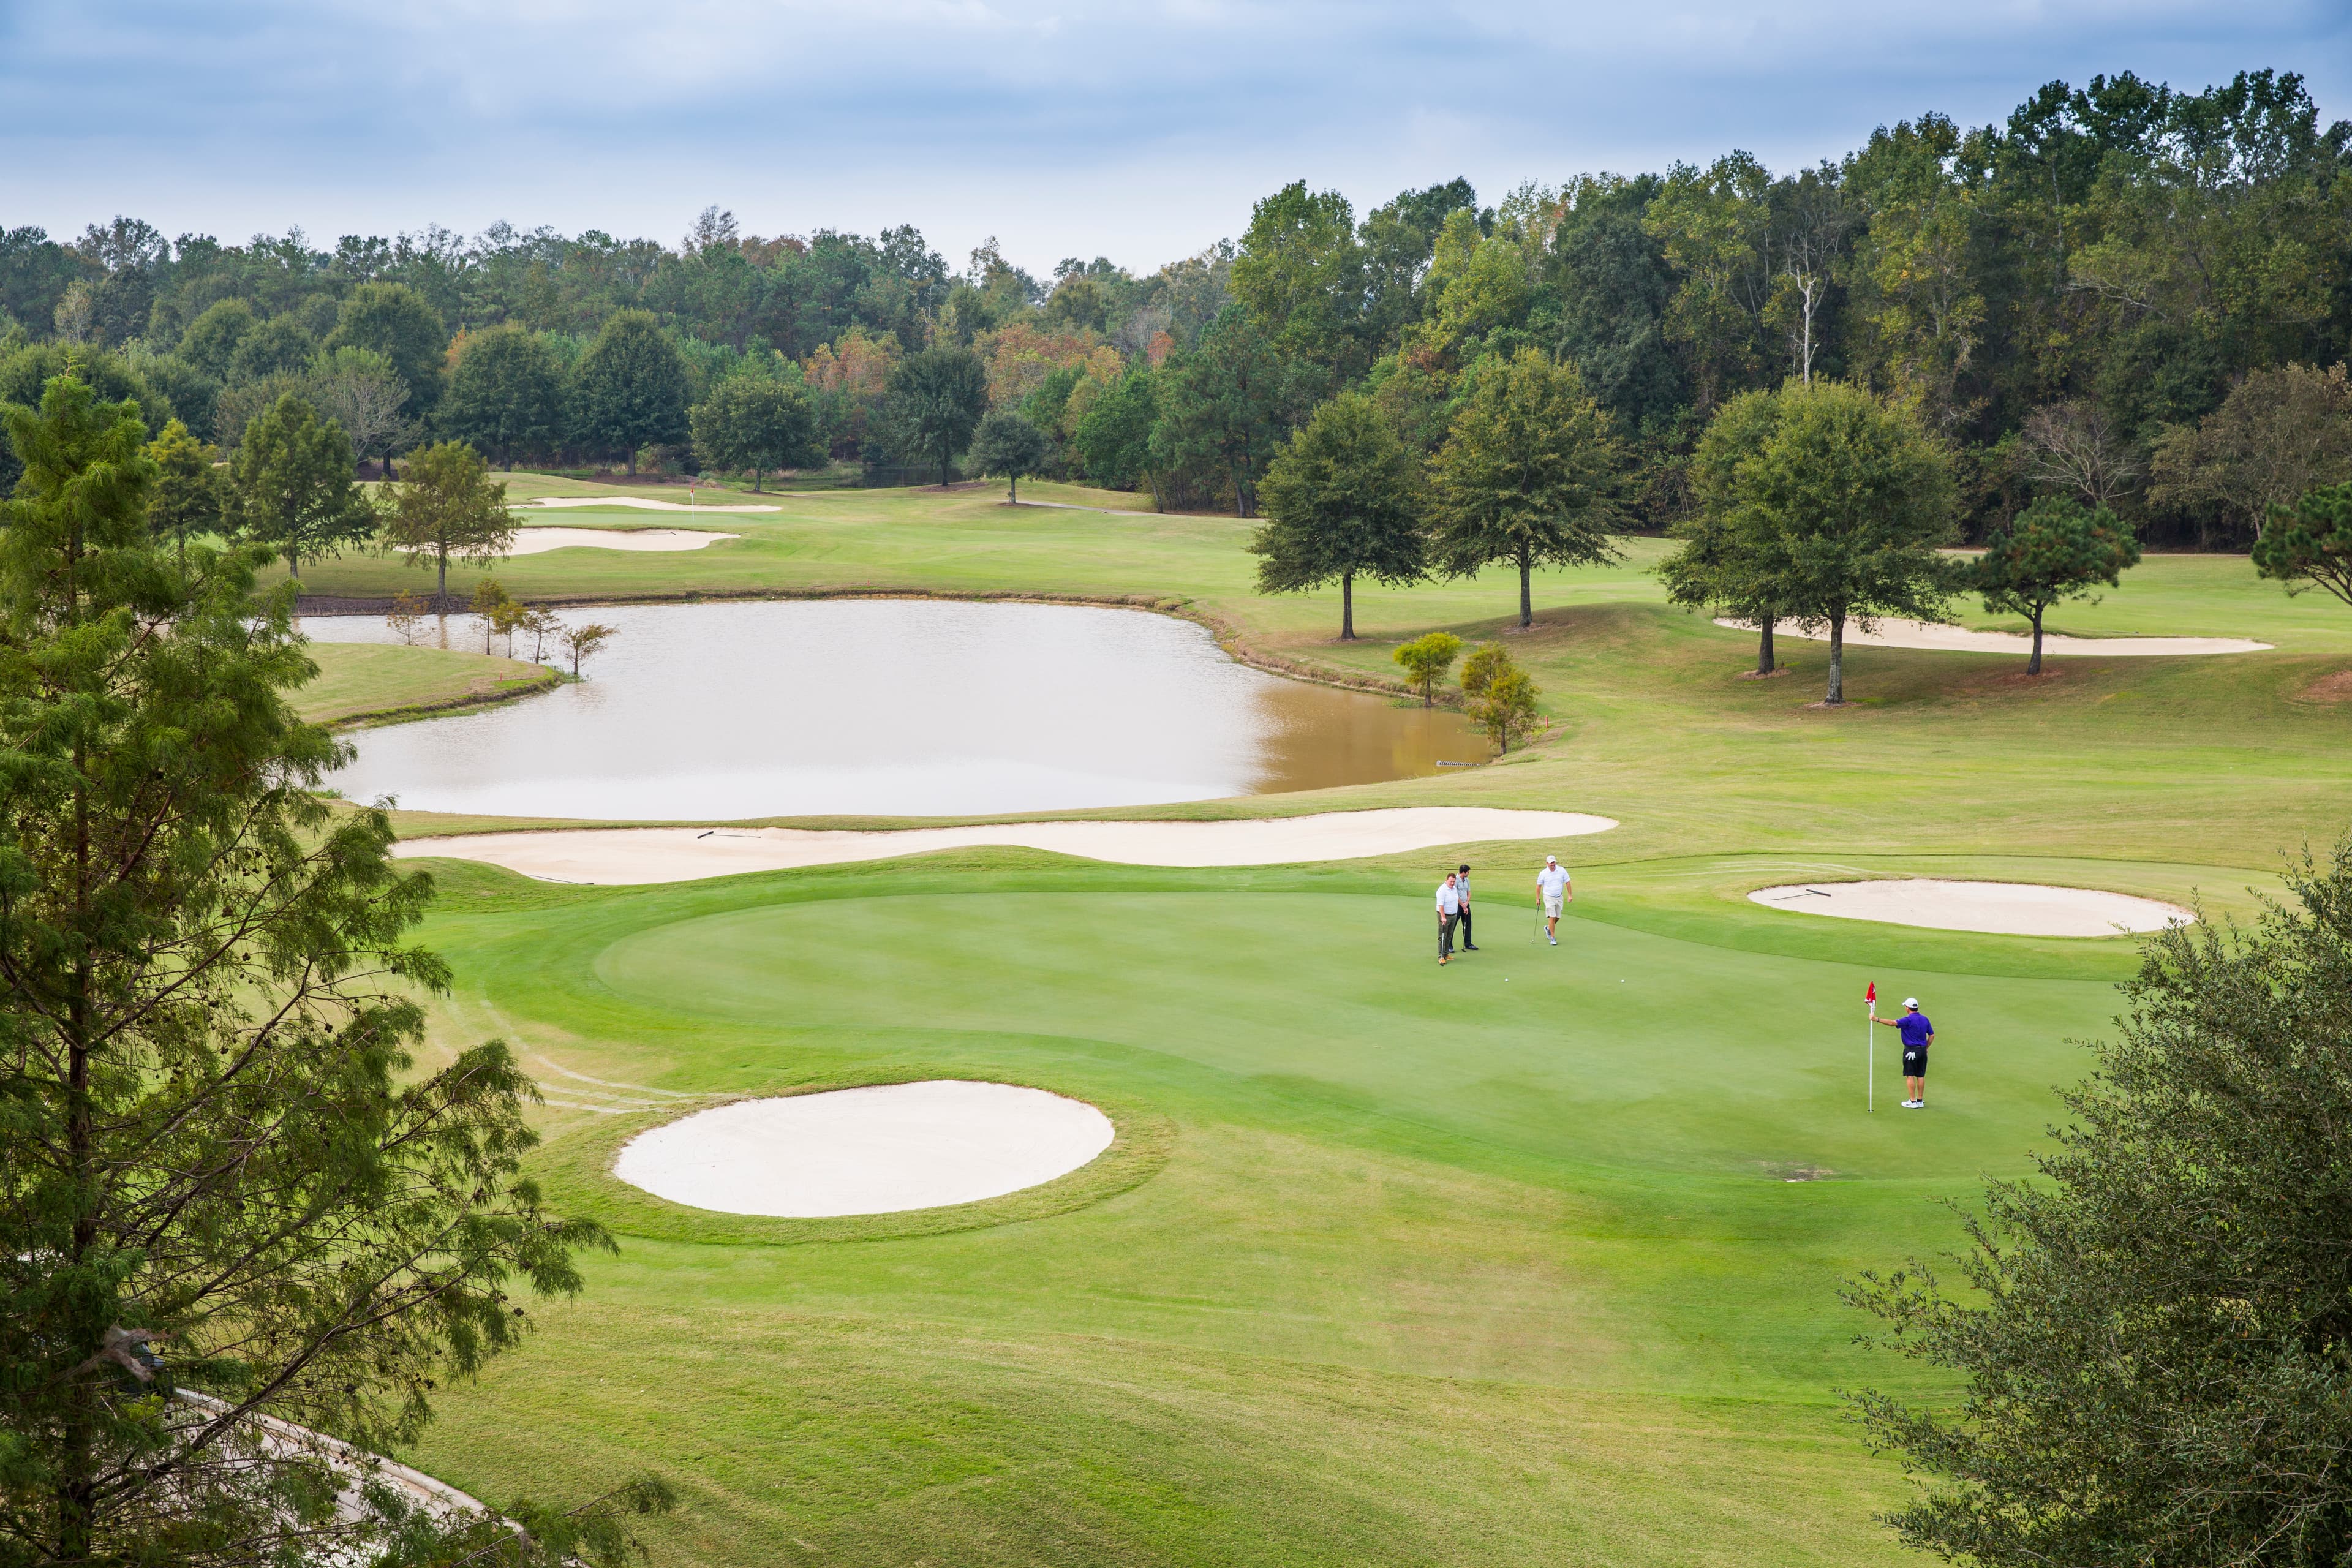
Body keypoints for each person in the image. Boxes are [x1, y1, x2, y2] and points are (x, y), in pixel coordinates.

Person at [1871, 997, 1936, 1107]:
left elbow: (1893, 1023)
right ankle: (1920, 1101)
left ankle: (1913, 1101)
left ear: (1908, 1008)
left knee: (1910, 1075)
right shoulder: (1925, 1019)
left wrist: (1876, 1019)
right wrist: (1926, 1047)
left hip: (1911, 1051)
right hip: (1922, 1051)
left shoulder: (1908, 1020)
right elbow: (1932, 1035)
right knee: (1920, 1075)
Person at [1535, 855, 1573, 945]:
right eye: (1551, 863)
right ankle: (1552, 938)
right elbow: (1539, 886)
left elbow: (1567, 882)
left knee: (1557, 917)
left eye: (1554, 862)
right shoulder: (1543, 873)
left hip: (1559, 897)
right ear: (1547, 863)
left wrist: (1570, 895)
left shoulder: (1561, 870)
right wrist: (1537, 898)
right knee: (1552, 917)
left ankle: (1548, 928)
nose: (1553, 864)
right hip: (1549, 897)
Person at [1435, 871, 1462, 965]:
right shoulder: (1442, 890)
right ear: (1447, 880)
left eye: (1454, 881)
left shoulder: (1454, 889)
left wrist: (1463, 906)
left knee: (1449, 936)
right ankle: (1441, 957)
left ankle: (1446, 954)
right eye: (1451, 881)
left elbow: (1457, 899)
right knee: (1442, 936)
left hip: (1453, 916)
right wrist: (1443, 917)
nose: (1452, 883)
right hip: (1444, 916)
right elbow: (1441, 905)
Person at [1455, 863, 1478, 950]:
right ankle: (1449, 946)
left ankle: (1468, 944)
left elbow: (1469, 893)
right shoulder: (1455, 881)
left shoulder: (1467, 880)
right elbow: (1455, 895)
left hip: (1466, 904)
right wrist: (1463, 905)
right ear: (1463, 872)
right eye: (1468, 872)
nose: (1468, 874)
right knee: (1453, 925)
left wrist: (1466, 904)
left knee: (1468, 924)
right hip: (1457, 906)